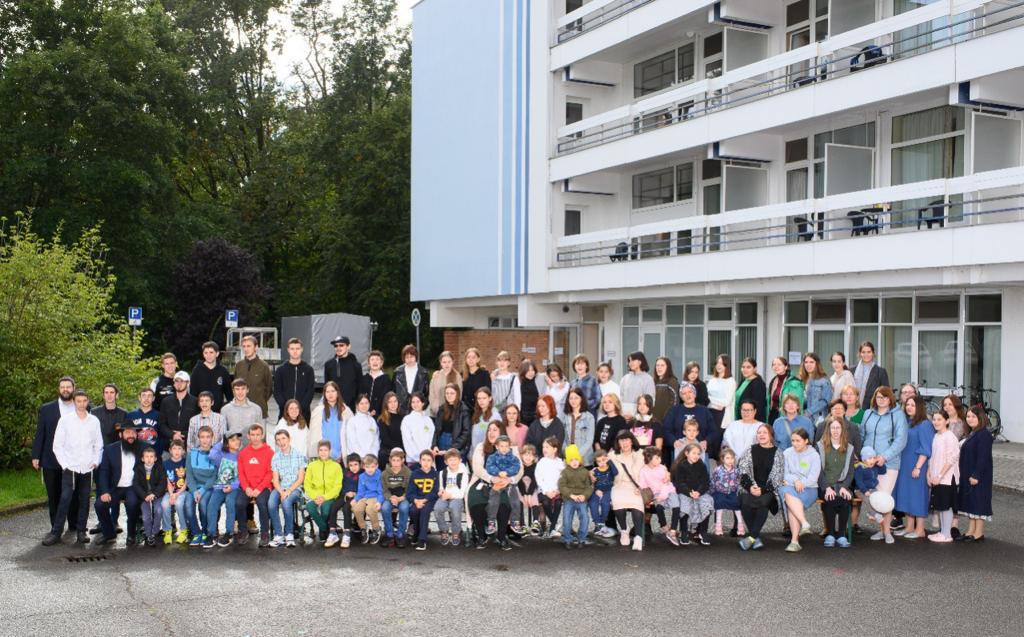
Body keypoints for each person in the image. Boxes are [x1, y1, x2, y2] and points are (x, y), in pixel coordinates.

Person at [42, 390, 102, 546]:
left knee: (84, 501)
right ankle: (56, 532)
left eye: (84, 401)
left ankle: (81, 532)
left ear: (88, 402)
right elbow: (57, 446)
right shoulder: (65, 420)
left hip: (87, 468)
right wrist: (65, 465)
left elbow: (98, 444)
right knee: (65, 499)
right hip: (70, 468)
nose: (81, 404)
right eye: (79, 401)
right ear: (74, 402)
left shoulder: (94, 421)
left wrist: (95, 461)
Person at [860, 386, 909, 544]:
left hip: (889, 463)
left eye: (885, 397)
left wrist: (884, 457)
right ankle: (882, 530)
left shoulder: (898, 415)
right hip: (868, 463)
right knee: (867, 493)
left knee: (884, 498)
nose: (881, 400)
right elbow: (862, 435)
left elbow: (900, 440)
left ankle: (887, 532)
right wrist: (862, 456)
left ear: (890, 399)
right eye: (879, 397)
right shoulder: (868, 414)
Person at [33, 377, 79, 531]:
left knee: (73, 494)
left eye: (68, 387)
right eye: (62, 387)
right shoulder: (47, 409)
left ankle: (73, 525)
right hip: (50, 459)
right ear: (59, 389)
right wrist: (36, 455)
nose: (65, 389)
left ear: (73, 388)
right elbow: (40, 433)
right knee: (53, 495)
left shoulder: (81, 406)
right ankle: (56, 528)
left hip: (74, 460)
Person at [468, 422, 520, 550]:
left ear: (501, 432)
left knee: (504, 504)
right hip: (483, 482)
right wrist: (492, 479)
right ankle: (482, 535)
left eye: (495, 430)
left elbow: (520, 469)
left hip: (504, 482)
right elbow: (477, 468)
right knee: (475, 502)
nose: (491, 433)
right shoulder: (481, 447)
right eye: (489, 430)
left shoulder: (511, 448)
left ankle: (502, 536)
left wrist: (509, 479)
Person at [737, 424, 785, 551]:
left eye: (765, 432)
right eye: (759, 433)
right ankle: (756, 537)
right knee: (745, 501)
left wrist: (762, 490)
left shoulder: (778, 453)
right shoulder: (750, 450)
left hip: (768, 489)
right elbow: (742, 470)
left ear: (771, 436)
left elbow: (778, 476)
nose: (761, 435)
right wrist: (751, 487)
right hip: (750, 486)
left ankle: (751, 537)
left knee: (764, 501)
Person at [892, 395, 934, 539]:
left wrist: (918, 467)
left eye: (913, 405)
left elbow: (926, 448)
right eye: (907, 404)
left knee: (917, 496)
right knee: (907, 495)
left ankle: (920, 529)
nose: (909, 407)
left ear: (920, 407)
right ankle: (910, 527)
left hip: (917, 465)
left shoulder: (925, 424)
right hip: (905, 464)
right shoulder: (908, 423)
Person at [93, 422, 142, 545]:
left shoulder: (143, 448)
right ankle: (109, 534)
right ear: (121, 435)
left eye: (133, 432)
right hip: (115, 487)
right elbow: (103, 472)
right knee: (99, 504)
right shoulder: (110, 449)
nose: (131, 435)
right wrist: (104, 491)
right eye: (127, 432)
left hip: (133, 487)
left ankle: (131, 534)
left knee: (133, 503)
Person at [779, 428, 821, 552]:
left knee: (791, 503)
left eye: (798, 441)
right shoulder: (787, 453)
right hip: (791, 487)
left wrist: (801, 483)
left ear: (806, 441)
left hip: (809, 489)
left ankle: (795, 541)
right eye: (793, 441)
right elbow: (784, 474)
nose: (795, 443)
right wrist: (795, 480)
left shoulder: (814, 455)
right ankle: (803, 525)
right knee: (788, 494)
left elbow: (813, 478)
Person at [817, 417, 856, 548]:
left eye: (838, 428)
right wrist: (827, 487)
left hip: (842, 484)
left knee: (845, 500)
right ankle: (830, 534)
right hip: (825, 484)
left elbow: (850, 472)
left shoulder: (849, 448)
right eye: (832, 428)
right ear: (828, 429)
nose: (835, 430)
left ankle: (841, 535)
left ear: (842, 430)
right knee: (830, 499)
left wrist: (845, 487)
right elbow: (819, 471)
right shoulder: (820, 446)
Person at [957, 406, 993, 542]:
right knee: (971, 503)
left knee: (978, 503)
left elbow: (983, 458)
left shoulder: (984, 435)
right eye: (968, 416)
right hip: (968, 474)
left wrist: (976, 475)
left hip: (979, 476)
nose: (970, 419)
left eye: (973, 416)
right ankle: (970, 531)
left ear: (980, 418)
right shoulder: (972, 433)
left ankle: (978, 533)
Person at [236, 424, 275, 547]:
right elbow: (241, 473)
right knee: (239, 503)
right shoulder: (243, 453)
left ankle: (264, 533)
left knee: (262, 503)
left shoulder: (269, 452)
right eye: (252, 435)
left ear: (262, 435)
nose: (255, 438)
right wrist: (246, 487)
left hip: (263, 486)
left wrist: (259, 488)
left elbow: (270, 473)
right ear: (248, 436)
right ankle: (243, 531)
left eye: (258, 435)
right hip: (247, 486)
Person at [268, 430, 307, 548]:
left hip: (295, 488)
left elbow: (301, 478)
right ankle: (278, 535)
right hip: (280, 487)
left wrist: (289, 491)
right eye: (278, 440)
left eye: (283, 438)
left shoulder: (299, 455)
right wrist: (281, 491)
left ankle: (289, 534)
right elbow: (275, 480)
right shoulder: (275, 457)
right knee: (271, 503)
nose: (281, 442)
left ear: (289, 439)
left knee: (286, 502)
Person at [669, 443, 714, 546]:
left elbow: (705, 482)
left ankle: (702, 531)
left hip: (699, 492)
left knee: (706, 502)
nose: (696, 456)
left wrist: (699, 492)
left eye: (698, 454)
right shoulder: (681, 466)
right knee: (684, 504)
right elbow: (680, 483)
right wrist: (689, 492)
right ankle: (684, 531)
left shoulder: (701, 465)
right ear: (686, 453)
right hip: (685, 492)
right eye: (694, 453)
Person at [926, 410, 960, 543]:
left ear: (946, 421)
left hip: (946, 477)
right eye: (934, 419)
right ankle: (943, 532)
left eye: (939, 419)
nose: (936, 422)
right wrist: (929, 473)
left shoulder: (950, 436)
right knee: (940, 505)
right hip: (936, 477)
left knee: (946, 506)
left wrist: (940, 475)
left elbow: (952, 458)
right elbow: (933, 457)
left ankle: (946, 534)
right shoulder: (936, 436)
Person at [609, 430, 646, 551]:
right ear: (618, 442)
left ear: (632, 441)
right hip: (619, 485)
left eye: (627, 440)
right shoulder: (612, 455)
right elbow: (603, 469)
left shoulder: (641, 454)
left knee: (637, 506)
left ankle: (638, 537)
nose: (624, 443)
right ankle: (624, 530)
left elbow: (648, 471)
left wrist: (641, 486)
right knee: (618, 504)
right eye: (621, 440)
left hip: (636, 486)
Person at [663, 383, 714, 466]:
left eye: (690, 392)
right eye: (684, 393)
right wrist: (673, 441)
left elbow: (713, 431)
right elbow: (666, 429)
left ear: (695, 394)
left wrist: (706, 441)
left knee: (702, 477)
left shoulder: (704, 411)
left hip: (699, 451)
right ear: (681, 397)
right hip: (680, 451)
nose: (687, 395)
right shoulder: (674, 411)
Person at [304, 441, 343, 544]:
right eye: (321, 450)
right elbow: (307, 485)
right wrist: (316, 497)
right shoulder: (312, 466)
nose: (323, 452)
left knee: (325, 510)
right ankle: (325, 528)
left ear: (329, 451)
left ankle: (322, 530)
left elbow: (337, 486)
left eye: (325, 450)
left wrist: (325, 497)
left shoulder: (336, 466)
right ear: (318, 451)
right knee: (310, 507)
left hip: (330, 497)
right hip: (315, 496)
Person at [186, 426, 218, 547]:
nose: (205, 440)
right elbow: (189, 475)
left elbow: (215, 476)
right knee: (188, 504)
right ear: (198, 438)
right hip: (194, 488)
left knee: (204, 504)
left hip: (209, 487)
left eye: (208, 437)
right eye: (202, 437)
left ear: (212, 438)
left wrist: (203, 490)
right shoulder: (191, 454)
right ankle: (196, 533)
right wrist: (194, 491)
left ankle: (205, 532)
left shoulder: (216, 454)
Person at [161, 440, 197, 545]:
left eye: (179, 449)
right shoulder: (165, 463)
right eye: (174, 449)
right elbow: (167, 481)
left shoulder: (186, 462)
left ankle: (184, 530)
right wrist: (172, 494)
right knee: (164, 504)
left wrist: (177, 494)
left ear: (183, 451)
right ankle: (167, 530)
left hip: (182, 492)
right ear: (170, 451)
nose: (177, 451)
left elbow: (186, 481)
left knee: (179, 503)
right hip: (170, 491)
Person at [558, 444, 593, 549]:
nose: (574, 462)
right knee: (567, 519)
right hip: (569, 499)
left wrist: (584, 496)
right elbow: (562, 486)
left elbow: (589, 487)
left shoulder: (585, 472)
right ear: (567, 461)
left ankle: (582, 539)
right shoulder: (565, 472)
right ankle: (567, 539)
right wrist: (571, 495)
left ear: (580, 460)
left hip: (582, 499)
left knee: (585, 517)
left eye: (576, 459)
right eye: (571, 460)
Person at [273, 338, 316, 424]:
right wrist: (287, 407)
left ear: (302, 349)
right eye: (292, 349)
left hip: (303, 414)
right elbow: (277, 390)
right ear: (288, 350)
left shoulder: (308, 369)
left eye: (297, 348)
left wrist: (300, 408)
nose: (295, 351)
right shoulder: (281, 370)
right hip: (284, 413)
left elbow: (310, 390)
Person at [309, 382, 353, 461]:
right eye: (327, 392)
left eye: (333, 391)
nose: (330, 394)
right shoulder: (318, 411)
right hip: (323, 454)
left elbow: (351, 434)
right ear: (324, 394)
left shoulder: (346, 411)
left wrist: (343, 453)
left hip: (341, 455)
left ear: (337, 392)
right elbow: (313, 435)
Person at [638, 445, 674, 541]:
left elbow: (667, 483)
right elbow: (642, 484)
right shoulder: (643, 470)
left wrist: (668, 477)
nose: (660, 460)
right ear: (649, 458)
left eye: (660, 457)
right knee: (658, 506)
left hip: (667, 491)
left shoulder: (662, 468)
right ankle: (664, 526)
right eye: (657, 458)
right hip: (656, 494)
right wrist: (639, 489)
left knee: (671, 504)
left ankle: (673, 529)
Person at [133, 446, 167, 546]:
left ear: (155, 459)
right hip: (144, 496)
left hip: (157, 495)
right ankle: (148, 534)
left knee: (159, 510)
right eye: (146, 457)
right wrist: (144, 496)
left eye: (151, 456)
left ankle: (154, 532)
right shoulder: (138, 469)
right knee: (145, 516)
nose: (149, 459)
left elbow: (162, 483)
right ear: (142, 459)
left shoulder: (159, 468)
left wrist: (155, 494)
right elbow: (136, 484)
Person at [435, 449, 470, 546]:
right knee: (437, 508)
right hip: (445, 496)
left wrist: (450, 495)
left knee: (455, 509)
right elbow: (442, 486)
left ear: (460, 460)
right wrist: (441, 491)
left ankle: (456, 532)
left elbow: (462, 492)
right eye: (450, 460)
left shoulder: (463, 473)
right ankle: (444, 530)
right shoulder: (443, 473)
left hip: (457, 497)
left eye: (455, 459)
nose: (453, 462)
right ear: (446, 462)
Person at [327, 453, 363, 548]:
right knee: (333, 507)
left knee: (346, 508)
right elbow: (340, 485)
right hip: (344, 495)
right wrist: (346, 492)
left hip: (356, 498)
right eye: (351, 465)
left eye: (355, 464)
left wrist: (355, 493)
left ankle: (347, 534)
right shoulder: (344, 472)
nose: (353, 467)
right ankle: (332, 533)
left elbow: (364, 488)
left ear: (360, 464)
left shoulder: (363, 474)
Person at [158, 371, 199, 454]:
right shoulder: (166, 401)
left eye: (182, 381)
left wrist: (182, 434)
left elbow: (198, 425)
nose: (179, 383)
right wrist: (173, 435)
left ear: (188, 383)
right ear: (174, 383)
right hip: (168, 447)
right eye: (177, 381)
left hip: (189, 448)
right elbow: (161, 424)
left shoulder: (195, 402)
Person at [407, 450, 440, 550]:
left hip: (430, 500)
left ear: (432, 462)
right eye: (424, 460)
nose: (426, 463)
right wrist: (416, 501)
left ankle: (422, 540)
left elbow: (435, 491)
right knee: (413, 510)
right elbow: (410, 492)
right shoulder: (414, 474)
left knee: (425, 511)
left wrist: (425, 500)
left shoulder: (435, 474)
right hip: (417, 500)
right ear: (420, 461)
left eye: (429, 460)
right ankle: (416, 532)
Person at [233, 335, 273, 419]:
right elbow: (235, 386)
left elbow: (269, 389)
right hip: (240, 410)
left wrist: (260, 401)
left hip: (259, 411)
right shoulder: (239, 365)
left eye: (249, 346)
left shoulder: (264, 366)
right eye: (244, 346)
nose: (246, 349)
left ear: (256, 347)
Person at [380, 448, 413, 547]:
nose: (395, 463)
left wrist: (402, 498)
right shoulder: (385, 473)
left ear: (403, 460)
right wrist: (391, 498)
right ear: (390, 460)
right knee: (385, 508)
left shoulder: (408, 472)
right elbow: (384, 489)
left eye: (398, 460)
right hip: (390, 497)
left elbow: (409, 489)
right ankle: (389, 533)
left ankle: (400, 534)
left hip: (403, 497)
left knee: (404, 508)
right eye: (393, 460)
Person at [710, 447, 744, 537]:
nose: (730, 460)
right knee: (719, 502)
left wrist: (738, 491)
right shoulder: (717, 470)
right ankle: (718, 524)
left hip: (732, 492)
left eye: (732, 458)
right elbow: (713, 481)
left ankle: (740, 524)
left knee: (737, 502)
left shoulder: (736, 471)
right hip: (720, 492)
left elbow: (739, 482)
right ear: (722, 459)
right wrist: (712, 492)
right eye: (727, 458)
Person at [535, 437, 565, 538]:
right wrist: (546, 491)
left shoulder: (560, 463)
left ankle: (552, 528)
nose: (544, 449)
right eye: (543, 447)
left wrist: (558, 490)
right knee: (546, 502)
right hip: (544, 491)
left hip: (556, 491)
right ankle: (555, 524)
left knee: (558, 503)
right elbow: (539, 479)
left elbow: (563, 479)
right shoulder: (541, 462)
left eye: (547, 447)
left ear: (555, 449)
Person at [189, 341, 231, 412]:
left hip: (218, 413)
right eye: (206, 353)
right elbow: (193, 394)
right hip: (200, 413)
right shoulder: (197, 370)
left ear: (217, 354)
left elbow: (229, 394)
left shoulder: (223, 371)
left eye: (211, 352)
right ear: (203, 354)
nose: (208, 355)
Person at [221, 378, 265, 445]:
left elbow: (261, 432)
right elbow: (223, 432)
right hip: (232, 448)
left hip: (250, 447)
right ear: (233, 391)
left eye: (243, 389)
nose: (240, 392)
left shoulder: (256, 409)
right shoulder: (225, 409)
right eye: (237, 389)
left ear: (247, 390)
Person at [325, 336, 363, 411]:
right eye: (336, 346)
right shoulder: (328, 364)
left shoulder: (356, 365)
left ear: (348, 347)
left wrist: (358, 404)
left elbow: (360, 386)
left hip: (350, 407)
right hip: (333, 406)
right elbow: (326, 386)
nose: (338, 348)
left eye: (341, 345)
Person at [432, 384, 471, 458]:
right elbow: (436, 429)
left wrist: (453, 448)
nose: (449, 395)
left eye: (452, 393)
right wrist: (435, 445)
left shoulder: (464, 409)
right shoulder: (442, 409)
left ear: (457, 394)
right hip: (441, 441)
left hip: (455, 443)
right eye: (447, 393)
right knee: (441, 466)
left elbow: (466, 432)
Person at [352, 454, 384, 544]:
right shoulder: (362, 476)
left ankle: (376, 528)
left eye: (372, 467)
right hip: (365, 496)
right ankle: (363, 528)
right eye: (367, 467)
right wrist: (355, 499)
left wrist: (379, 502)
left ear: (376, 466)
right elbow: (361, 491)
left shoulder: (379, 475)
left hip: (375, 496)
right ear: (363, 467)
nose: (370, 469)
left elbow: (381, 492)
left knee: (370, 509)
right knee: (356, 509)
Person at [851, 341, 890, 411]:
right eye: (863, 352)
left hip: (872, 411)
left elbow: (886, 394)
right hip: (853, 410)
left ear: (873, 353)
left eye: (869, 352)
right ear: (860, 354)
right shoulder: (851, 370)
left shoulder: (880, 372)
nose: (866, 354)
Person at [589, 449, 618, 538]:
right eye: (599, 461)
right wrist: (595, 490)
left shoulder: (610, 469)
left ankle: (602, 522)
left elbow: (616, 472)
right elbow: (591, 484)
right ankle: (597, 523)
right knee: (593, 503)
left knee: (605, 503)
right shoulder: (595, 471)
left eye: (603, 460)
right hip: (597, 490)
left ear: (606, 459)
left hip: (608, 490)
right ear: (596, 462)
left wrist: (609, 461)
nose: (601, 463)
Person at [343, 394, 380, 465]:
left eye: (366, 403)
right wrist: (362, 456)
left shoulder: (372, 420)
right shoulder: (352, 421)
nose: (364, 406)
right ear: (357, 405)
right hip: (357, 459)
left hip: (371, 458)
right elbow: (352, 442)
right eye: (361, 403)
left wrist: (373, 455)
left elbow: (376, 439)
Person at [401, 393, 435, 470]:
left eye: (418, 401)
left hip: (428, 460)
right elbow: (407, 441)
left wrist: (427, 456)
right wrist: (418, 457)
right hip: (414, 461)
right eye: (413, 402)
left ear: (423, 403)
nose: (415, 404)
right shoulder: (407, 419)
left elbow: (432, 439)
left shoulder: (428, 420)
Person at [394, 344, 430, 415]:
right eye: (407, 357)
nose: (409, 359)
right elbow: (393, 391)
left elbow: (427, 393)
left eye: (411, 356)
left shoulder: (423, 373)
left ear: (416, 357)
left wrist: (422, 407)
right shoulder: (397, 372)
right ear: (403, 358)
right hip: (400, 410)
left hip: (418, 409)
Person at [707, 354, 737, 438]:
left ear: (727, 365)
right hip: (710, 414)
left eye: (722, 363)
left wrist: (710, 399)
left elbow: (726, 402)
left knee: (718, 443)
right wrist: (715, 403)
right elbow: (705, 399)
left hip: (722, 416)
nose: (718, 365)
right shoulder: (712, 380)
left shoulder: (730, 381)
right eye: (717, 363)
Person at [564, 388, 595, 466]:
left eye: (576, 398)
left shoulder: (589, 417)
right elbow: (563, 438)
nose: (573, 401)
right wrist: (567, 453)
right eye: (571, 398)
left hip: (585, 459)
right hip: (569, 458)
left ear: (581, 399)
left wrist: (577, 455)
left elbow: (589, 440)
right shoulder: (565, 416)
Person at [767, 356, 803, 425]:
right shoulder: (773, 381)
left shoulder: (794, 382)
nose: (776, 367)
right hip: (773, 415)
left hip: (787, 416)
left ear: (786, 367)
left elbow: (798, 402)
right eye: (774, 364)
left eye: (779, 364)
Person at [126, 387, 161, 455]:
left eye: (149, 396)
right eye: (144, 395)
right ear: (139, 398)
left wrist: (157, 453)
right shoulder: (130, 415)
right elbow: (126, 436)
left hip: (152, 455)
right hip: (134, 454)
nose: (146, 398)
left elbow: (162, 437)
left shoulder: (159, 416)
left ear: (153, 398)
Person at [620, 352, 655, 420]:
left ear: (640, 361)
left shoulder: (648, 379)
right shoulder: (624, 378)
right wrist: (622, 413)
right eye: (629, 361)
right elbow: (621, 397)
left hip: (640, 418)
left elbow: (650, 400)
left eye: (633, 360)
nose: (630, 363)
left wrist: (636, 415)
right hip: (624, 416)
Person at [800, 353, 833, 424]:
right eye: (806, 362)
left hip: (818, 419)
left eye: (811, 362)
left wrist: (809, 412)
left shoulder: (824, 380)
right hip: (804, 418)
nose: (808, 364)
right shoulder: (802, 380)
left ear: (817, 364)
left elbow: (825, 401)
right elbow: (804, 399)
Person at [359, 350, 393, 417]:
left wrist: (375, 410)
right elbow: (360, 396)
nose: (375, 362)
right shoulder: (364, 378)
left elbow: (385, 397)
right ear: (368, 363)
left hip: (381, 415)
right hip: (364, 413)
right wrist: (365, 410)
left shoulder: (386, 379)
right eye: (372, 359)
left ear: (381, 363)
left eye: (377, 359)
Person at [428, 351, 462, 417]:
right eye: (444, 362)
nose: (447, 364)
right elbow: (432, 395)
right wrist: (438, 410)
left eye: (449, 362)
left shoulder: (457, 376)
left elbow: (459, 395)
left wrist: (451, 411)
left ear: (453, 362)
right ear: (441, 363)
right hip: (436, 413)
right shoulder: (436, 376)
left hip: (452, 414)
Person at [735, 358, 767, 423]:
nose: (745, 370)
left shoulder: (759, 383)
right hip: (742, 418)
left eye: (748, 367)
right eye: (743, 367)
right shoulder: (743, 381)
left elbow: (758, 406)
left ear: (755, 369)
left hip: (752, 421)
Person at [377, 392, 404, 466]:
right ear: (386, 404)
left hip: (402, 449)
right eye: (390, 402)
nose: (393, 404)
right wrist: (399, 448)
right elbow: (385, 439)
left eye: (395, 401)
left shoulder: (403, 417)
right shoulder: (382, 419)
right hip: (387, 450)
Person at [469, 387, 501, 453]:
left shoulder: (495, 415)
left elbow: (498, 437)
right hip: (475, 453)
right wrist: (471, 453)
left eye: (484, 398)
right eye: (479, 398)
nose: (481, 401)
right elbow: (474, 436)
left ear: (490, 398)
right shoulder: (477, 414)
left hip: (488, 453)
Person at [519, 444, 541, 536]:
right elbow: (519, 481)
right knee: (519, 500)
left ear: (534, 457)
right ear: (521, 455)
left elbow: (534, 481)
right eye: (526, 454)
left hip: (532, 487)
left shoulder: (536, 466)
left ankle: (535, 522)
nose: (528, 457)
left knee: (535, 498)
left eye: (530, 455)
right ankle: (522, 524)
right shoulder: (520, 466)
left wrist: (529, 494)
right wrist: (524, 494)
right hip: (521, 488)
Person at [651, 357, 679, 423]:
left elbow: (674, 401)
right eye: (657, 365)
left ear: (668, 367)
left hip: (666, 419)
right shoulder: (653, 381)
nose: (659, 368)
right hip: (653, 419)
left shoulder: (672, 381)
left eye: (662, 365)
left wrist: (668, 416)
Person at [517, 359, 543, 424]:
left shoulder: (539, 379)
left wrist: (563, 380)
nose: (530, 373)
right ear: (523, 371)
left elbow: (556, 375)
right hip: (522, 417)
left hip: (536, 417)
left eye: (532, 370)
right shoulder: (518, 381)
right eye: (528, 371)